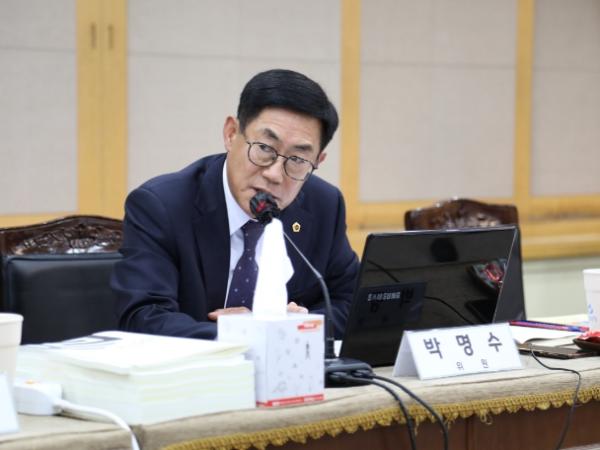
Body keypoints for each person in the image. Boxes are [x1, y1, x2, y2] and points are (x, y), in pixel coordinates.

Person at [111, 69, 359, 340]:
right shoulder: (162, 206)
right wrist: (244, 334)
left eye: (298, 160)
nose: (275, 174)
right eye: (264, 148)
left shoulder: (324, 205)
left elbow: (352, 303)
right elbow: (144, 318)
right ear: (231, 134)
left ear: (318, 161)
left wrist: (297, 325)